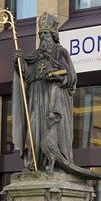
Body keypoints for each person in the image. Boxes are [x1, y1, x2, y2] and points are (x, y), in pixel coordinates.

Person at [13, 12, 77, 173]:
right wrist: (19, 62)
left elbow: (71, 76)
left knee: (52, 129)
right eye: (41, 35)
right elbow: (27, 75)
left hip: (54, 97)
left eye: (46, 34)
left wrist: (56, 76)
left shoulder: (61, 52)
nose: (43, 38)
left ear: (53, 35)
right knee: (34, 128)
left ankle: (55, 162)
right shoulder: (36, 55)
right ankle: (34, 162)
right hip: (37, 95)